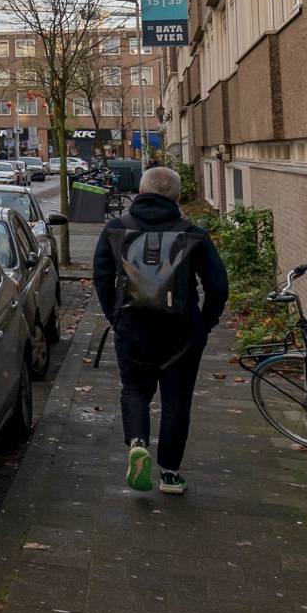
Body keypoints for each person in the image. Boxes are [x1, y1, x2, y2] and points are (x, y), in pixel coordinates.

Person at [92, 165, 228, 495]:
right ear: (177, 196)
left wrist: (116, 316)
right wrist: (203, 323)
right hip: (181, 334)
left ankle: (138, 441)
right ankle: (169, 473)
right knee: (176, 400)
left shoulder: (116, 228)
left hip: (133, 327)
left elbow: (101, 277)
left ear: (140, 192)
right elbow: (218, 286)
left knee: (135, 389)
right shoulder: (192, 232)